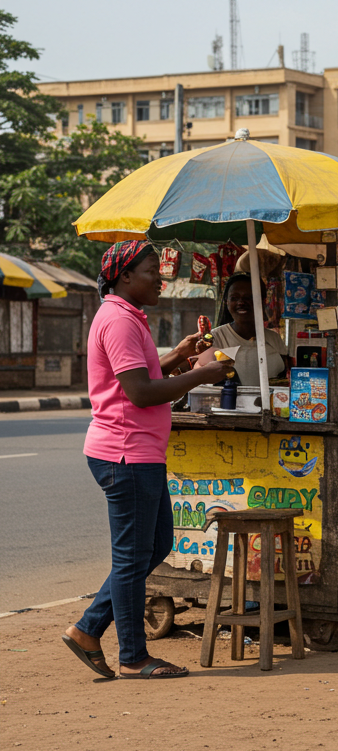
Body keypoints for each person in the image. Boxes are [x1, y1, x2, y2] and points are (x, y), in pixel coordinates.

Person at [61, 241, 232, 680]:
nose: (161, 278)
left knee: (154, 547)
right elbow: (138, 392)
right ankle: (134, 657)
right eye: (153, 270)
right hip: (125, 454)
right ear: (123, 278)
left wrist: (177, 356)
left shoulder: (127, 316)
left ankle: (87, 629)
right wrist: (201, 374)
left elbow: (139, 375)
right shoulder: (118, 319)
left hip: (138, 454)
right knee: (133, 556)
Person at [203, 273, 291, 385]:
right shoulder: (215, 338)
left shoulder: (274, 338)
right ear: (226, 301)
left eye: (249, 298)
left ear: (262, 301)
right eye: (234, 298)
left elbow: (284, 377)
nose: (241, 302)